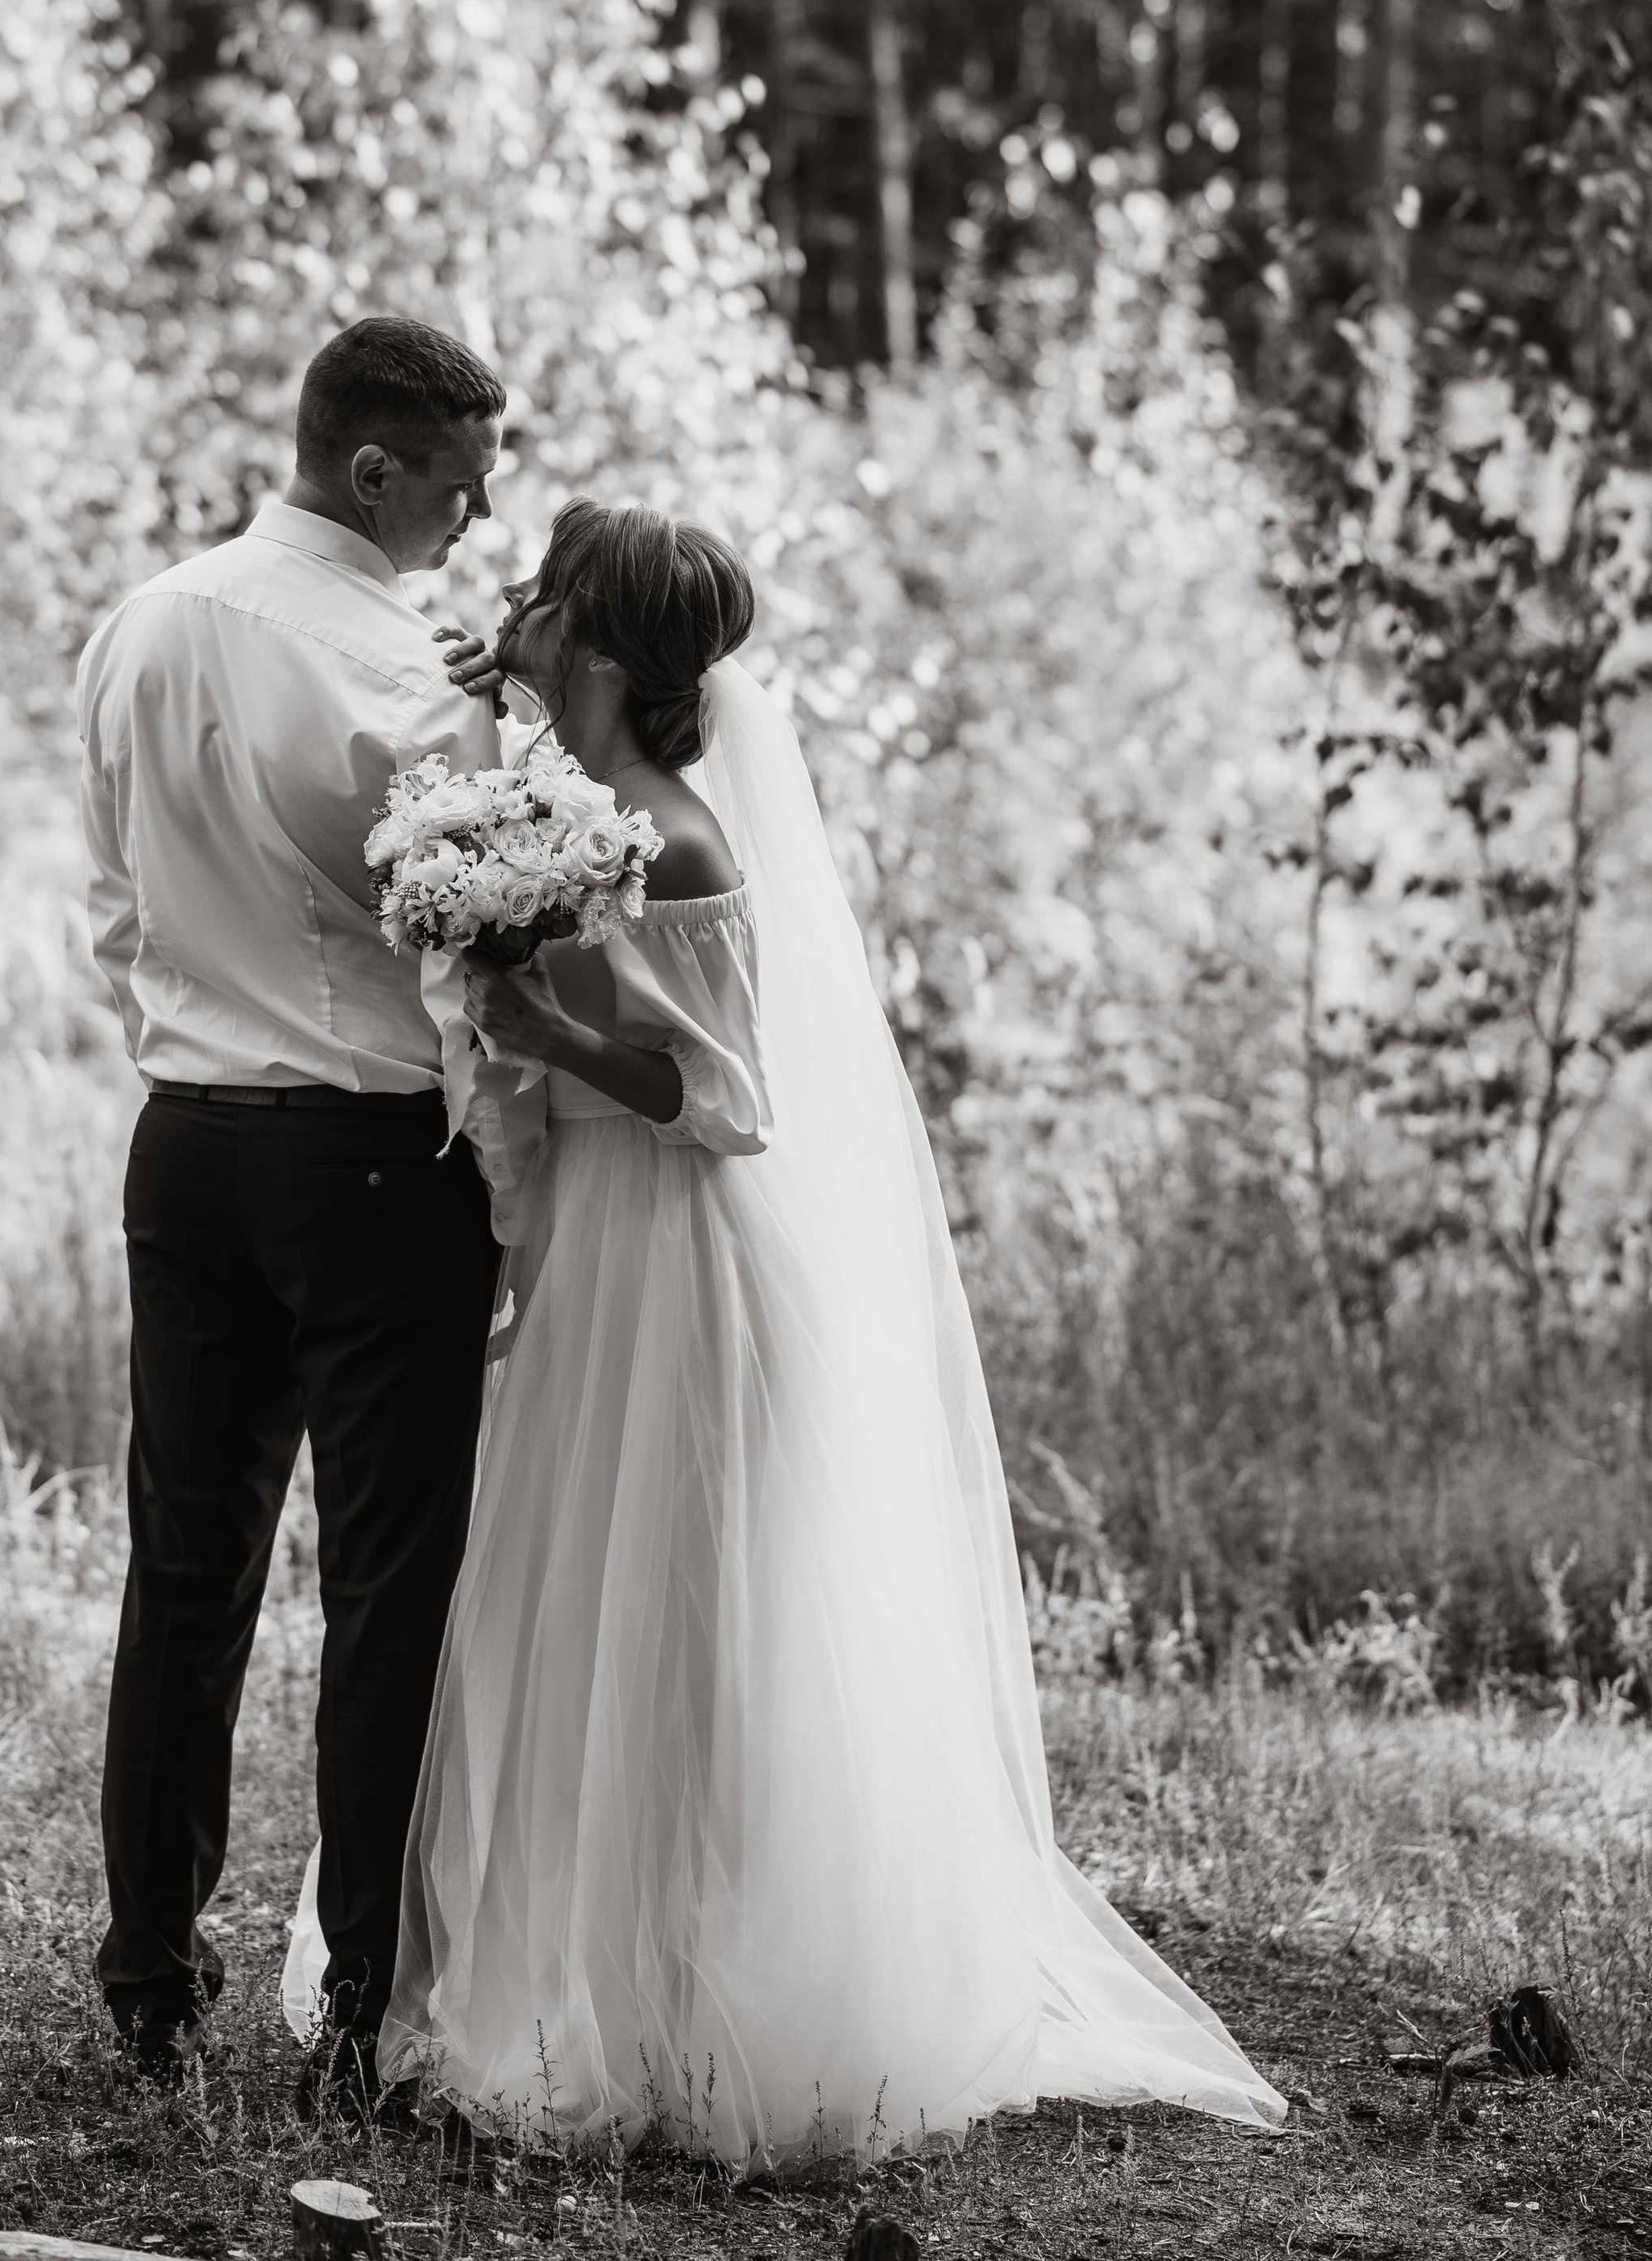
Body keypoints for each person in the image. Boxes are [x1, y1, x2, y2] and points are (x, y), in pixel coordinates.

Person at [288, 497, 1285, 2163]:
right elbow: (524, 828)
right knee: (556, 1594)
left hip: (678, 1256)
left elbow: (724, 1097)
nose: (511, 605)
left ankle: (676, 2001)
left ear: (604, 648)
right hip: (595, 1244)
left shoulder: (670, 840)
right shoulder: (555, 800)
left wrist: (534, 1016)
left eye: (541, 596)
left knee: (665, 1616)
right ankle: (527, 1957)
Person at [76, 314, 509, 2093]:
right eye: (463, 490)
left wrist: (197, 1040)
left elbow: (115, 910)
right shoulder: (405, 681)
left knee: (184, 1575)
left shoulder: (139, 625)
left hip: (182, 1141)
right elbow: (472, 959)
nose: (478, 525)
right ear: (374, 469)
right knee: (389, 1592)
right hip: (365, 1165)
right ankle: (357, 2014)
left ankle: (148, 1983)